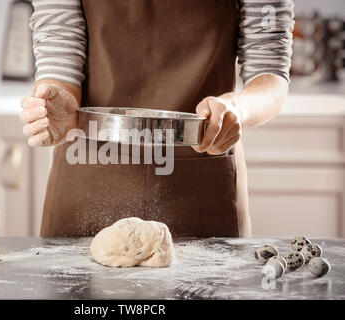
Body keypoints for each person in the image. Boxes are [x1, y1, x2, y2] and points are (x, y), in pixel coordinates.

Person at [19, 0, 294, 237]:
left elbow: (270, 71)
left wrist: (237, 108)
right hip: (86, 174)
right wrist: (58, 100)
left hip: (201, 186)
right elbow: (59, 44)